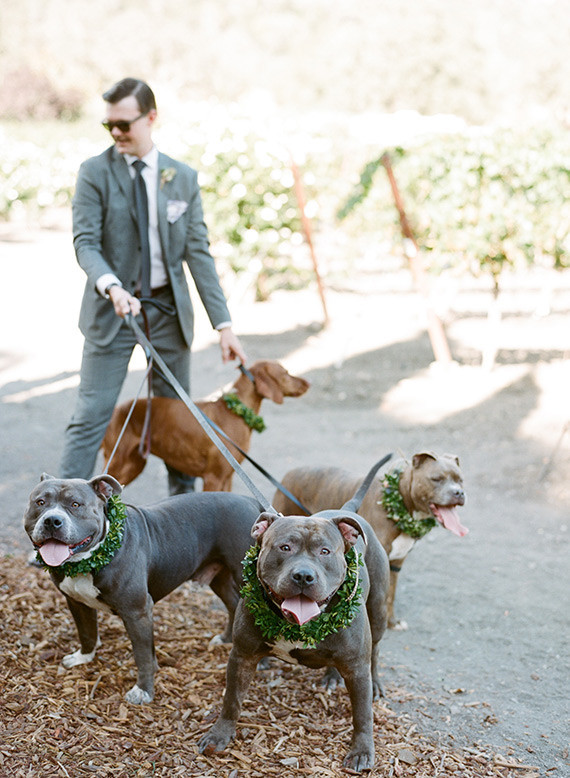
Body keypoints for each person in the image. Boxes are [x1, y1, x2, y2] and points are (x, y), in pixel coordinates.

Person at [60, 77, 247, 494]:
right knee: (91, 414)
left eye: (124, 124)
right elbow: (85, 242)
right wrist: (111, 286)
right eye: (108, 125)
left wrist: (224, 325)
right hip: (112, 310)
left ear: (151, 118)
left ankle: (185, 520)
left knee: (177, 419)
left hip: (167, 312)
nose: (116, 133)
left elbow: (199, 254)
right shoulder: (94, 173)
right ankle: (60, 515)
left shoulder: (182, 178)